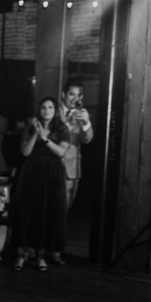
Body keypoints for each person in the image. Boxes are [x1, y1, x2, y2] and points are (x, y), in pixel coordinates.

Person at [13, 97, 69, 272]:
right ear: (40, 110)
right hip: (31, 173)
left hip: (52, 174)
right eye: (43, 107)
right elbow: (25, 151)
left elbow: (61, 152)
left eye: (50, 107)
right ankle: (21, 255)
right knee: (27, 211)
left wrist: (45, 139)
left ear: (55, 110)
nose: (47, 110)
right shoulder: (31, 127)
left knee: (47, 213)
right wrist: (37, 134)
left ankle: (41, 255)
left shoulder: (62, 128)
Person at [59, 80, 93, 214]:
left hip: (71, 168)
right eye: (71, 94)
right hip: (51, 166)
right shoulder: (52, 109)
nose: (75, 99)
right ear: (63, 94)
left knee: (64, 211)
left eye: (79, 95)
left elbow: (87, 139)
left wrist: (85, 122)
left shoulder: (81, 114)